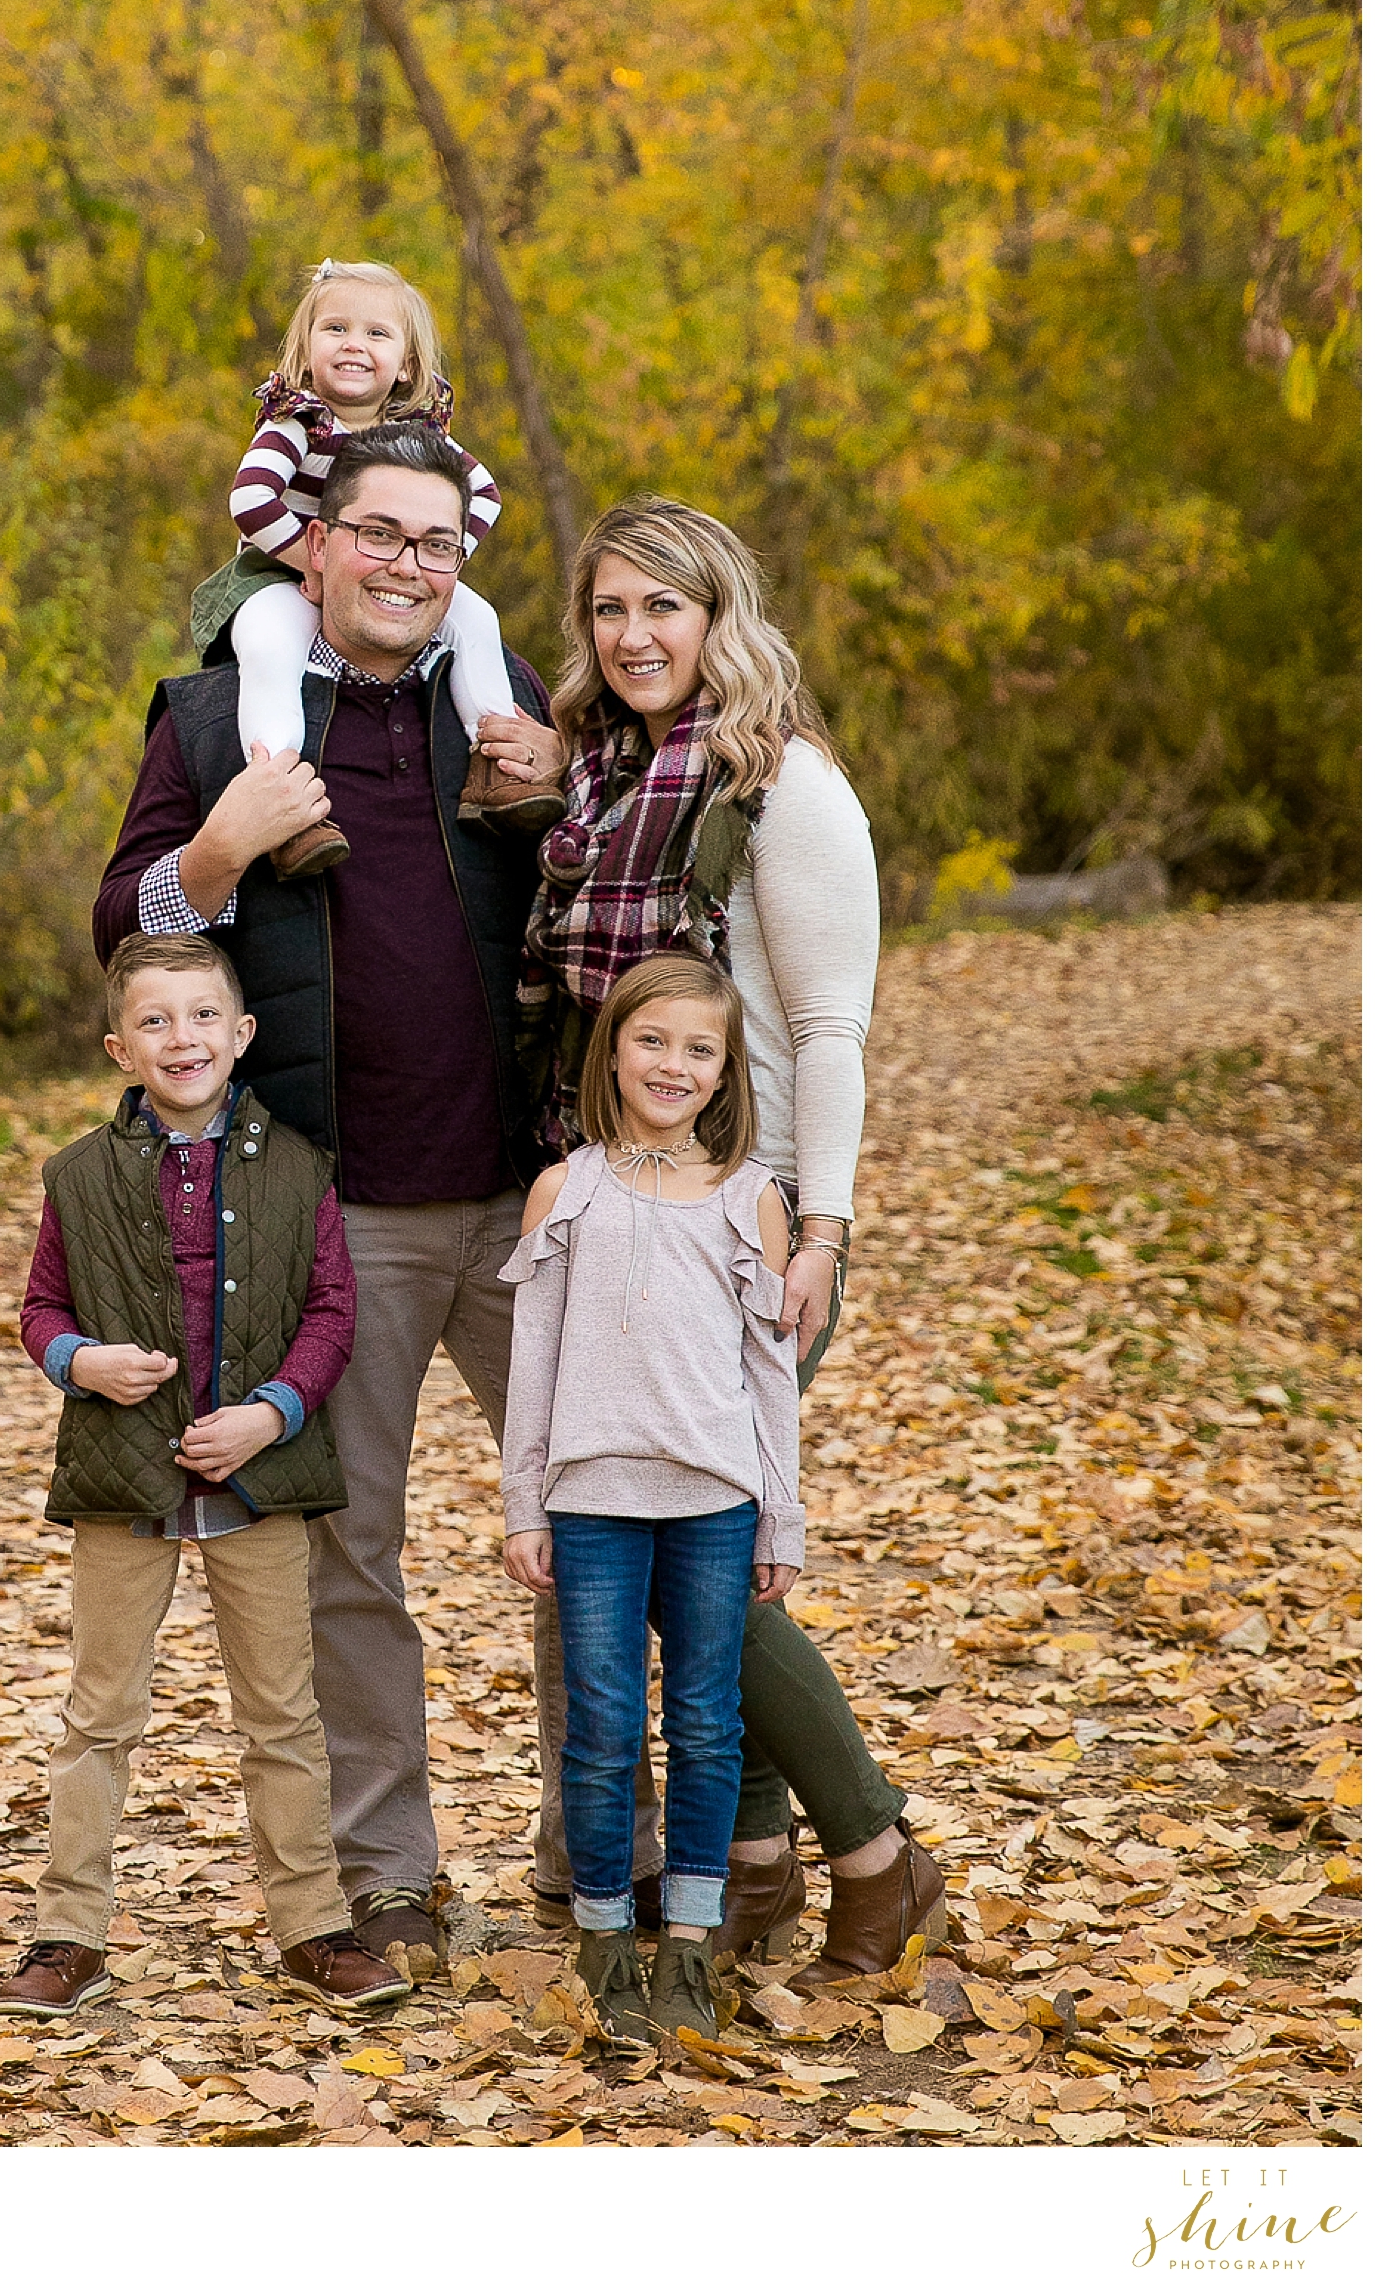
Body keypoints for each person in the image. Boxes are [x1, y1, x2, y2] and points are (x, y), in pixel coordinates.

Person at [93, 421, 575, 1979]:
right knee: (348, 1554)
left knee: (591, 1525)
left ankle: (601, 1856)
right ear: (312, 542)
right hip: (336, 1206)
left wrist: (561, 790)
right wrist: (220, 850)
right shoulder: (223, 713)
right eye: (377, 533)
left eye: (435, 544)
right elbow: (126, 923)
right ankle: (389, 1881)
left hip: (534, 1195)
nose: (405, 566)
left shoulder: (504, 717)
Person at [518, 495, 947, 1979]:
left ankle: (879, 1851)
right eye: (610, 610)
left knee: (704, 1555)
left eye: (665, 607)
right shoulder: (608, 784)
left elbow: (830, 1029)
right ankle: (750, 1863)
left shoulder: (789, 789)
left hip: (753, 1223)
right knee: (683, 1548)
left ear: (722, 616)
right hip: (626, 1210)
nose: (635, 635)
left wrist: (820, 1224)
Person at [5, 929, 409, 2021]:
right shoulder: (77, 1176)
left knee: (281, 1712)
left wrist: (270, 1413)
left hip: (257, 1478)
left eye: (199, 1016)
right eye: (152, 1020)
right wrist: (77, 1360)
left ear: (240, 1034)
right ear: (116, 1046)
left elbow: (332, 1309)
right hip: (120, 1473)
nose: (178, 1036)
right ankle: (67, 1931)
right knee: (100, 1713)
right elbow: (40, 1307)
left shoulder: (297, 1167)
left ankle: (313, 1924)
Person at [502, 955, 804, 2054]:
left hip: (713, 1500)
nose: (671, 1064)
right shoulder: (563, 1190)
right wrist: (522, 1505)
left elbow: (769, 1372)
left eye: (698, 1049)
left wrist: (782, 1512)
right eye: (651, 1041)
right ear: (612, 1050)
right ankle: (598, 1933)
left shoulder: (747, 1198)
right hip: (590, 1498)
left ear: (724, 1071)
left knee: (707, 1722)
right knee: (600, 1725)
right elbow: (529, 1364)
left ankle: (687, 1933)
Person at [190, 258, 561, 879]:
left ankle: (497, 765)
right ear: (307, 350)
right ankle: (286, 805)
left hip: (377, 570)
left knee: (478, 621)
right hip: (278, 572)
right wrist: (312, 562)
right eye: (336, 329)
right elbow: (250, 501)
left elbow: (486, 494)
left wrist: (435, 561)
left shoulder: (414, 436)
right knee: (269, 649)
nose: (354, 345)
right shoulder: (296, 423)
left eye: (377, 334)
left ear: (408, 364)